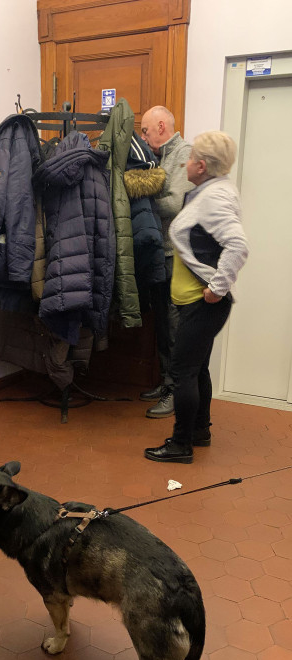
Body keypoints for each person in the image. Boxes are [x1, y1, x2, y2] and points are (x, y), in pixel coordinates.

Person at [144, 131, 248, 464]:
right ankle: (200, 431)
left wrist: (217, 288)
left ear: (200, 166)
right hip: (196, 303)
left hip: (202, 305)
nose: (185, 163)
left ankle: (180, 444)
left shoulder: (212, 198)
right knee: (197, 369)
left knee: (183, 372)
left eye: (189, 160)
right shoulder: (208, 191)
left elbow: (237, 245)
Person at [140, 106, 194, 418]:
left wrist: (140, 200)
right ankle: (165, 382)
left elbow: (175, 203)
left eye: (146, 131)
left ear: (161, 126)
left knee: (174, 326)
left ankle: (175, 390)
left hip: (176, 256)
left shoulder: (184, 152)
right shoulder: (159, 156)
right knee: (161, 323)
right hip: (160, 254)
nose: (144, 137)